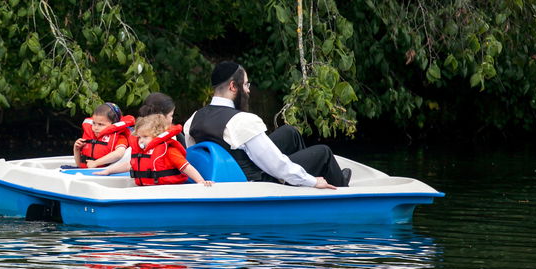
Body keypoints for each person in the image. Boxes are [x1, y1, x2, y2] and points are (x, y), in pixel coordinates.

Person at [183, 61, 349, 189]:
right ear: (233, 86)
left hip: (228, 170)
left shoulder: (192, 120)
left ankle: (303, 186)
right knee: (324, 153)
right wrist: (312, 181)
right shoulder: (242, 121)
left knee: (289, 132)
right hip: (257, 181)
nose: (248, 90)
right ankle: (336, 187)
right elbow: (276, 166)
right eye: (246, 84)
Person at [94, 92, 176, 176]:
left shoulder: (137, 133)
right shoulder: (167, 139)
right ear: (161, 116)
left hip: (119, 170)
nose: (172, 119)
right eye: (171, 115)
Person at [128, 114, 213, 186]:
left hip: (168, 190)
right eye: (139, 137)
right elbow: (132, 165)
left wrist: (200, 181)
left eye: (145, 136)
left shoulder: (169, 150)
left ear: (158, 135)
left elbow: (186, 167)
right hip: (148, 190)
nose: (141, 140)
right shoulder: (142, 152)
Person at [72, 102, 134, 168]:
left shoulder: (119, 137)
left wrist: (96, 162)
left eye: (100, 124)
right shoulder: (90, 136)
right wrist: (76, 150)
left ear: (113, 124)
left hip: (104, 174)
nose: (95, 128)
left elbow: (119, 154)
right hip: (84, 173)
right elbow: (79, 165)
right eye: (94, 123)